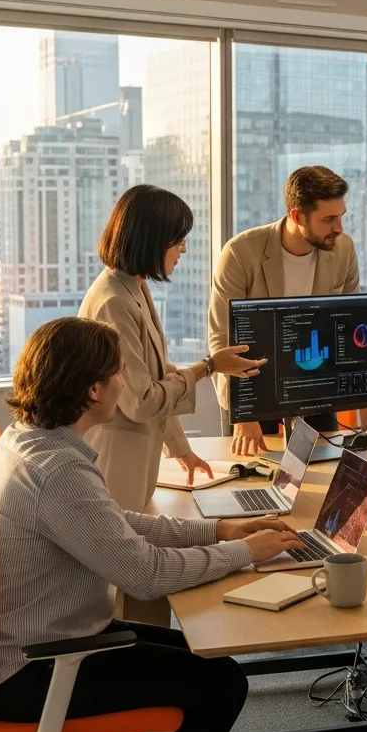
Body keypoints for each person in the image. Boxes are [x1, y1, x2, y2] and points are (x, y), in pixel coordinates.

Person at [0, 316, 304, 732]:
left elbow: (114, 523)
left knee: (204, 655)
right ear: (93, 390)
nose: (125, 383)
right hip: (33, 667)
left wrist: (219, 530)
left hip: (37, 641)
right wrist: (248, 552)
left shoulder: (29, 439)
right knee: (223, 684)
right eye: (120, 372)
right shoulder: (58, 470)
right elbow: (147, 576)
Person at [80, 184, 266, 512]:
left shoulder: (133, 287)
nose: (183, 249)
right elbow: (142, 400)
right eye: (178, 241)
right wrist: (207, 368)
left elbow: (155, 375)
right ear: (152, 241)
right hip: (117, 461)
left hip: (136, 459)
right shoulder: (114, 301)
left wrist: (181, 450)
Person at [209, 165, 367, 456]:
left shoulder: (343, 249)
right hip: (252, 385)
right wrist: (245, 411)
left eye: (341, 217)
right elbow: (222, 339)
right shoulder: (240, 253)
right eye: (329, 219)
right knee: (253, 473)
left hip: (316, 380)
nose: (339, 228)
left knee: (323, 471)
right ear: (297, 216)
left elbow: (352, 329)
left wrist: (366, 404)